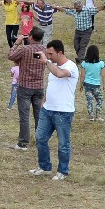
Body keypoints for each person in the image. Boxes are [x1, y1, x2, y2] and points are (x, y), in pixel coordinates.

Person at [29, 40, 78, 180]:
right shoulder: (53, 66)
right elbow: (52, 84)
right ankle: (44, 167)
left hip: (63, 112)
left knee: (63, 143)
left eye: (51, 54)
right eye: (47, 54)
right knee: (40, 138)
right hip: (47, 109)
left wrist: (46, 62)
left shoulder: (71, 66)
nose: (48, 56)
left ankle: (62, 171)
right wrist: (44, 101)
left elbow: (60, 74)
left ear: (60, 52)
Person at [8, 27, 48, 151]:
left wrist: (17, 42)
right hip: (39, 86)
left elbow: (10, 56)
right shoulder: (44, 50)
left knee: (24, 116)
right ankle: (40, 141)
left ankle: (23, 143)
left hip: (25, 86)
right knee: (39, 115)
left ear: (30, 37)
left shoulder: (25, 50)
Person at [80, 44, 105, 121]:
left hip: (87, 85)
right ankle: (98, 116)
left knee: (90, 100)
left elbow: (82, 76)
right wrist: (104, 85)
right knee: (99, 100)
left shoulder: (84, 63)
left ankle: (91, 116)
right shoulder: (101, 63)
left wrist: (80, 85)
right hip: (96, 86)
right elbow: (103, 75)